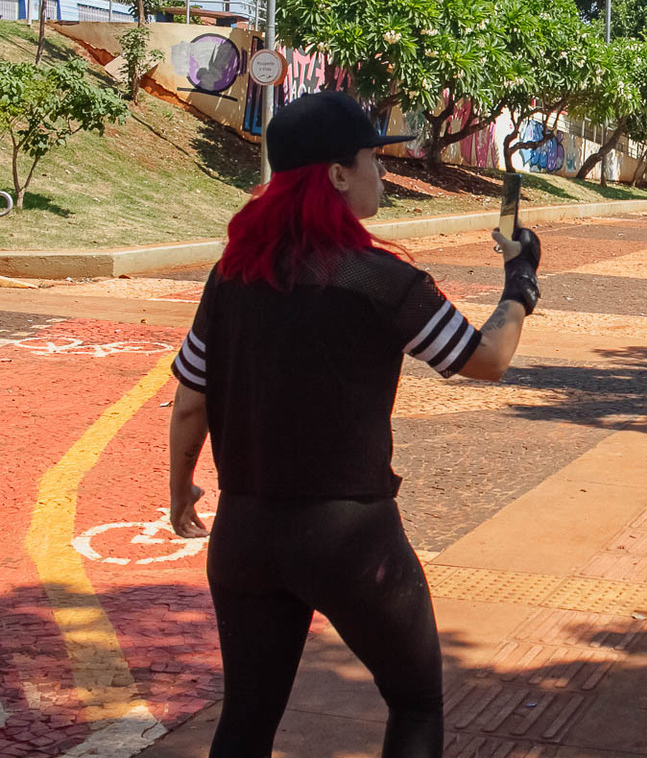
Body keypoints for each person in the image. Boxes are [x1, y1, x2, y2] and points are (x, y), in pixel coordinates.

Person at [166, 91, 541, 757]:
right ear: (337, 173)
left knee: (247, 720)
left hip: (245, 535)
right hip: (351, 541)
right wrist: (518, 289)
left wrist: (180, 491)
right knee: (415, 702)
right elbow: (485, 361)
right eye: (374, 157)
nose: (382, 174)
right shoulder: (380, 281)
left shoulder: (232, 275)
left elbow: (191, 397)